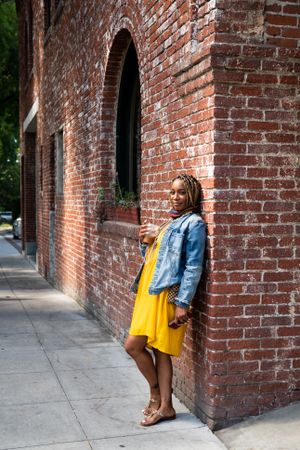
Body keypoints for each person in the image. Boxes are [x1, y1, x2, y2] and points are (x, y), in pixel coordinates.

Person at [124, 174, 206, 426]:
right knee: (138, 347)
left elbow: (193, 266)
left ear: (191, 195)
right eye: (172, 192)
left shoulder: (194, 224)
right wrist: (146, 242)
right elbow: (155, 258)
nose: (175, 197)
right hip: (149, 293)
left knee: (148, 348)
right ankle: (160, 398)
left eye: (181, 192)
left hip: (166, 297)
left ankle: (163, 403)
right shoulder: (171, 222)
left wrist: (183, 303)